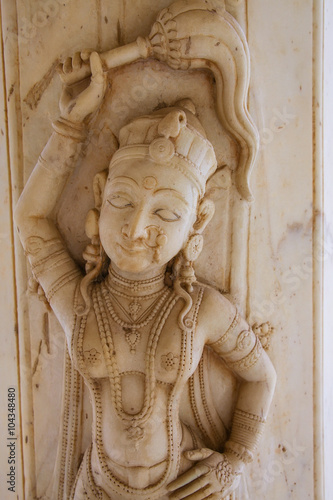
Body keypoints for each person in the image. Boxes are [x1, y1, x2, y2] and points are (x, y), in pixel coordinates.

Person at [15, 52, 276, 500]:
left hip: (183, 487)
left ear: (196, 223)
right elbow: (31, 220)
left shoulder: (203, 310)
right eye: (121, 202)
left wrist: (236, 459)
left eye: (167, 213)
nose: (136, 231)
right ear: (99, 194)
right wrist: (70, 124)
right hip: (97, 488)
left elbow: (261, 377)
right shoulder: (80, 302)